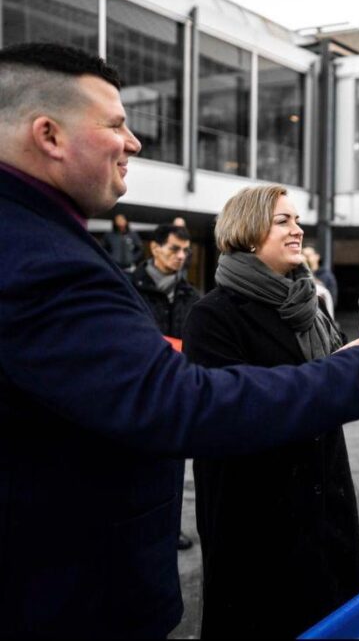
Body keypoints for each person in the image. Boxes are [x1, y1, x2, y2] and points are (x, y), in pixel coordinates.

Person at [0, 42, 359, 637]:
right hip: (98, 584)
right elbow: (190, 404)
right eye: (116, 124)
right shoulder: (42, 257)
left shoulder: (307, 299)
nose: (133, 142)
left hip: (320, 505)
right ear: (50, 135)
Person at [183, 186, 359, 638]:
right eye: (283, 220)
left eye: (297, 219)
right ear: (247, 232)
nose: (297, 228)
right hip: (257, 517)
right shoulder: (213, 316)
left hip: (326, 500)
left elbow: (331, 379)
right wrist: (341, 373)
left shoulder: (312, 303)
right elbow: (231, 413)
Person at [131, 222, 200, 551]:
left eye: (186, 251)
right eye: (174, 249)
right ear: (155, 248)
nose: (181, 256)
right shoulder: (129, 287)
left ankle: (169, 530)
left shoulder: (190, 294)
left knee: (173, 471)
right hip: (137, 390)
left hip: (175, 390)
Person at [303, 244, 338, 314]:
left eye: (309, 255)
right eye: (304, 255)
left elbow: (331, 301)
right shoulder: (298, 275)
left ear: (317, 256)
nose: (307, 258)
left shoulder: (327, 276)